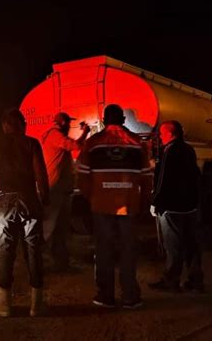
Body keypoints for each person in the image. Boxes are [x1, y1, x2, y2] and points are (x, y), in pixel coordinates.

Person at [0, 108, 49, 317]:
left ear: (4, 126)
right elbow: (41, 175)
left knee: (6, 250)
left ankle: (4, 304)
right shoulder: (31, 143)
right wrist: (45, 200)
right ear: (22, 125)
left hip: (6, 200)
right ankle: (36, 305)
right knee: (33, 250)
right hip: (29, 199)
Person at [76, 104, 152, 309]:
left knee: (104, 251)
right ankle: (130, 296)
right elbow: (146, 176)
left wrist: (91, 196)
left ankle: (105, 296)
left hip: (101, 206)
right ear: (123, 121)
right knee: (128, 250)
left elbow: (81, 176)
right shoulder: (136, 143)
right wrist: (144, 200)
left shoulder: (93, 143)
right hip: (129, 206)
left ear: (104, 119)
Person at [148, 120, 204, 293]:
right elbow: (195, 176)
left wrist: (155, 202)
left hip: (172, 207)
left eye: (162, 134)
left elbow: (163, 179)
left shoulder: (170, 150)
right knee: (191, 244)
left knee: (173, 245)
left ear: (170, 134)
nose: (160, 137)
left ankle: (171, 280)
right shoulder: (189, 149)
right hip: (190, 206)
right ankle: (195, 281)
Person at [41, 112, 90, 270]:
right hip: (54, 189)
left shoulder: (55, 135)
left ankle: (61, 262)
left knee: (60, 228)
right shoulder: (55, 135)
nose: (70, 126)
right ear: (62, 122)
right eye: (68, 123)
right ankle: (39, 262)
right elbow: (75, 146)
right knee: (48, 227)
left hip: (61, 189)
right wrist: (85, 133)